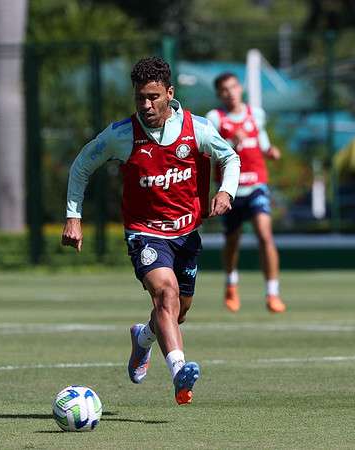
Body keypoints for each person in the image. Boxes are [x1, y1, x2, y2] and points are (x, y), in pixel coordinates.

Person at [62, 57, 240, 405]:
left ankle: (143, 338)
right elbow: (82, 165)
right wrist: (73, 216)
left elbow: (230, 158)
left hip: (187, 233)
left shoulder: (197, 128)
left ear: (169, 94)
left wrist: (225, 191)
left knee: (179, 310)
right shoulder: (122, 134)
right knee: (165, 293)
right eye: (140, 97)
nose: (146, 105)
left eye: (153, 97)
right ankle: (179, 373)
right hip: (145, 233)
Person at [206, 73, 285, 314]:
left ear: (240, 88)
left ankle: (272, 292)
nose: (230, 93)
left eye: (233, 87)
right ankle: (231, 283)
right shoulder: (215, 118)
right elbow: (211, 149)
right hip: (230, 190)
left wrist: (270, 150)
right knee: (233, 240)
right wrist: (230, 141)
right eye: (224, 90)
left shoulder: (255, 114)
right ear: (220, 94)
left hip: (256, 184)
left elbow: (260, 141)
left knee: (264, 234)